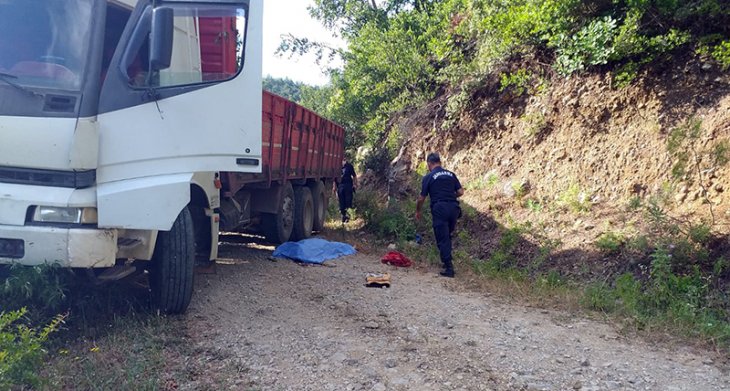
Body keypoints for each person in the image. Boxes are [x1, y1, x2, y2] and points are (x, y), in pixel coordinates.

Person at [416, 153, 464, 278]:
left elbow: (421, 198)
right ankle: (447, 261)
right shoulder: (451, 174)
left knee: (442, 238)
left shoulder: (429, 176)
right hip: (454, 208)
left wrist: (418, 211)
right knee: (447, 235)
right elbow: (460, 191)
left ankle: (449, 268)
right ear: (439, 162)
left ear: (429, 164)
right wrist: (450, 195)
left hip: (440, 208)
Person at [335, 155, 358, 223]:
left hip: (348, 186)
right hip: (340, 186)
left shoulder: (349, 166)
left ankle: (348, 216)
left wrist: (355, 184)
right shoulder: (337, 167)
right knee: (341, 202)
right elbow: (334, 178)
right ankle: (343, 216)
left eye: (343, 159)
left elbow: (354, 176)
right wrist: (334, 188)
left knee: (348, 201)